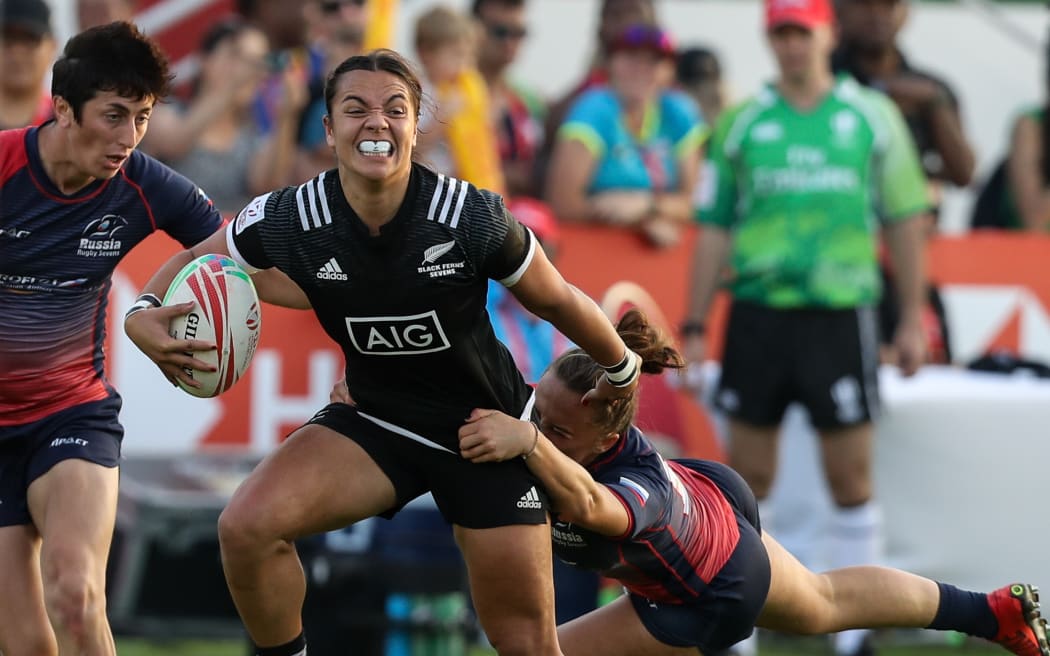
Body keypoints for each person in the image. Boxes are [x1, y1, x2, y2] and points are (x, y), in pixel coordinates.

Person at [124, 48, 644, 656]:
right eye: (355, 108)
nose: (376, 122)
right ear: (328, 128)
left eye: (394, 109)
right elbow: (195, 260)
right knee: (245, 526)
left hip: (485, 434)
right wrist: (140, 317)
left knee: (525, 645)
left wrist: (622, 366)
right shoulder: (291, 216)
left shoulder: (466, 214)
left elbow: (555, 299)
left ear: (416, 125)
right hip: (374, 420)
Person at [457, 308, 1050, 656]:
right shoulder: (556, 421)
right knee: (823, 602)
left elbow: (592, 507)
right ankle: (990, 611)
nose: (537, 426)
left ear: (605, 440)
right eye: (536, 410)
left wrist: (530, 442)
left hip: (706, 592)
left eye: (558, 430)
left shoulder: (629, 482)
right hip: (713, 521)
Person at [680, 0, 930, 654]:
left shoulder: (871, 119)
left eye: (803, 31)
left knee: (852, 480)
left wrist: (911, 317)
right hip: (758, 316)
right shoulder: (742, 123)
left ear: (828, 32)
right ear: (770, 38)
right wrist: (697, 321)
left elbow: (905, 217)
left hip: (840, 315)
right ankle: (735, 635)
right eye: (780, 32)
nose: (792, 45)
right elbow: (713, 226)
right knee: (744, 482)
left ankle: (857, 639)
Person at [0, 21, 227, 656]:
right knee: (24, 645)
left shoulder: (145, 185)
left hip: (69, 414)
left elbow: (237, 252)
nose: (129, 138)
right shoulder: (3, 168)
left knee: (75, 595)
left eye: (144, 117)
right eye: (115, 115)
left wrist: (147, 306)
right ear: (64, 109)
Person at [544, 23, 706, 249]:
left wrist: (647, 207)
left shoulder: (680, 112)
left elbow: (698, 203)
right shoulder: (593, 110)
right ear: (610, 62)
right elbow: (563, 203)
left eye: (654, 61)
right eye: (630, 57)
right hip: (593, 252)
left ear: (669, 70)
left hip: (658, 258)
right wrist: (641, 221)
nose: (640, 68)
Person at [142, 18, 304, 216]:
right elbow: (173, 142)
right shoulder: (166, 112)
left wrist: (287, 115)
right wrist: (231, 86)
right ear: (203, 60)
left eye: (258, 61)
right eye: (235, 56)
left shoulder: (253, 137)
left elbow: (267, 185)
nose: (249, 70)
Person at [831, 0, 975, 202]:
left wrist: (935, 104)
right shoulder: (823, 84)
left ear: (905, 13)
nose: (876, 15)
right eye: (864, 4)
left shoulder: (931, 89)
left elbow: (964, 174)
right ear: (838, 10)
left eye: (888, 5)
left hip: (911, 222)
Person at [414, 4, 505, 194]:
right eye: (457, 56)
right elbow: (410, 147)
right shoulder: (417, 94)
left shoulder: (463, 93)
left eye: (469, 57)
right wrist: (442, 121)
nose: (464, 67)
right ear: (426, 53)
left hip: (457, 188)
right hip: (425, 190)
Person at [472, 0, 547, 199]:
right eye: (500, 31)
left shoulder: (530, 101)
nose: (510, 42)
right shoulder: (448, 95)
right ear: (473, 31)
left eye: (519, 33)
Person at [0, 0, 56, 130]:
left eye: (30, 39)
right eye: (8, 38)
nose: (17, 52)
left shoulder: (68, 126)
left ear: (52, 47)